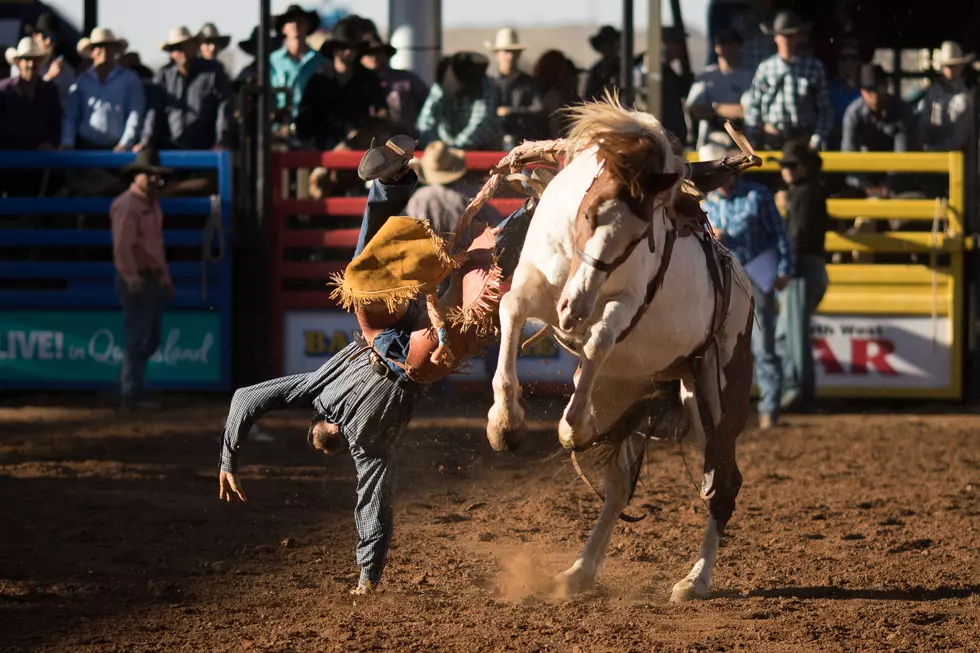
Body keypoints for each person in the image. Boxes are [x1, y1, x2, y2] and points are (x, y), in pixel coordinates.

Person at [216, 136, 542, 595]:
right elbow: (373, 506)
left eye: (317, 439)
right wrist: (368, 577)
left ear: (319, 423)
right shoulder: (367, 447)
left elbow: (246, 397)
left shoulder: (320, 391)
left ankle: (389, 185)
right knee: (477, 292)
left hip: (381, 344)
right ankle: (532, 211)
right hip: (410, 365)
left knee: (362, 278)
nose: (321, 442)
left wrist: (229, 457)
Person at [700, 142, 793, 430]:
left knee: (762, 344)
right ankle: (726, 408)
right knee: (721, 345)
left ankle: (768, 407)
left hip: (753, 275)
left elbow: (779, 234)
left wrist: (784, 268)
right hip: (721, 279)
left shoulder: (757, 196)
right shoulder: (705, 202)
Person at [110, 149, 175, 411]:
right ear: (137, 176)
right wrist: (132, 277)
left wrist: (164, 277)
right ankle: (130, 393)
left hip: (150, 277)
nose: (154, 180)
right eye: (149, 175)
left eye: (156, 175)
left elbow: (154, 248)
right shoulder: (128, 205)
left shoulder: (150, 204)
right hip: (137, 278)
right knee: (139, 337)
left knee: (148, 338)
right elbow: (123, 248)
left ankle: (128, 385)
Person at [771, 141, 829, 414]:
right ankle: (798, 392)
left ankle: (798, 393)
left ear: (805, 167)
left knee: (792, 334)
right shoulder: (808, 192)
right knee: (789, 333)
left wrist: (785, 269)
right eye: (785, 165)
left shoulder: (804, 194)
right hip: (809, 267)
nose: (786, 170)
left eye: (791, 165)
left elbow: (798, 236)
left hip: (801, 268)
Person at [742, 11, 833, 151]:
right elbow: (754, 106)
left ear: (799, 37)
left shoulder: (814, 67)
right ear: (775, 37)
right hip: (771, 139)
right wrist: (751, 140)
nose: (786, 40)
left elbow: (825, 109)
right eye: (782, 35)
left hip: (803, 141)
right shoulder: (765, 68)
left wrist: (816, 139)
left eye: (791, 36)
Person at [295, 17, 386, 150]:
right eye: (344, 46)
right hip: (321, 152)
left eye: (353, 47)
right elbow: (305, 118)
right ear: (334, 49)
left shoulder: (368, 79)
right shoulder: (319, 79)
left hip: (359, 153)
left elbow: (381, 112)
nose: (349, 51)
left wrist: (364, 132)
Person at [140, 26, 234, 152]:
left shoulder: (213, 72)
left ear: (195, 47)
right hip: (170, 147)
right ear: (172, 53)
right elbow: (154, 111)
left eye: (186, 46)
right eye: (177, 48)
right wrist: (147, 141)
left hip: (205, 146)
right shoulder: (163, 76)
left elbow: (224, 108)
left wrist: (222, 141)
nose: (182, 52)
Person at [61, 27, 145, 151]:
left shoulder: (129, 78)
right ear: (91, 52)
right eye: (98, 46)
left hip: (118, 146)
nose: (104, 50)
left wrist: (125, 143)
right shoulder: (81, 81)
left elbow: (135, 112)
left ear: (115, 50)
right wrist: (67, 142)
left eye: (108, 46)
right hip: (86, 145)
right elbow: (71, 115)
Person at [0, 37, 62, 203]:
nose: (30, 64)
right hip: (8, 160)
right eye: (27, 60)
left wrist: (50, 142)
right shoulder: (4, 90)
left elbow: (56, 122)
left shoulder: (50, 91)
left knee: (35, 206)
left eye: (34, 60)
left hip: (38, 161)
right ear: (18, 62)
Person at [406, 140, 503, 239]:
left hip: (427, 251)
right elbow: (495, 223)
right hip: (464, 252)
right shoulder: (468, 195)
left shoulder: (418, 198)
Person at [841, 63, 913, 198]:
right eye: (870, 90)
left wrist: (889, 185)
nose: (875, 95)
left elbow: (902, 155)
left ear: (887, 87)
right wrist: (865, 185)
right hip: (863, 179)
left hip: (896, 181)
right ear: (862, 91)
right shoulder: (853, 113)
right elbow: (848, 154)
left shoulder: (902, 110)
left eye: (879, 88)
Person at [417, 52, 502, 150]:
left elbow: (480, 124)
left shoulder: (486, 87)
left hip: (482, 148)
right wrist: (432, 146)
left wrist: (454, 150)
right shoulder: (440, 87)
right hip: (444, 146)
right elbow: (426, 121)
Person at [686, 28, 754, 150]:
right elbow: (694, 110)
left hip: (742, 142)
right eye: (723, 44)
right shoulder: (705, 76)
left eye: (732, 44)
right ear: (716, 47)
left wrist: (714, 109)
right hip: (709, 142)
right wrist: (721, 110)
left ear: (739, 46)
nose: (727, 49)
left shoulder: (750, 76)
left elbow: (746, 111)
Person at [361, 36, 429, 138]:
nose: (373, 57)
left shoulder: (407, 79)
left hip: (406, 140)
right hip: (367, 144)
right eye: (368, 53)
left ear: (386, 53)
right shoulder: (357, 85)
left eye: (378, 52)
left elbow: (428, 105)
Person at [486, 27, 545, 144]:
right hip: (494, 143)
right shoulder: (489, 83)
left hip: (524, 142)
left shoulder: (529, 83)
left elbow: (539, 110)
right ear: (496, 54)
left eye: (513, 52)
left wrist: (511, 111)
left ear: (519, 54)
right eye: (506, 51)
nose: (510, 56)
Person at [269, 4, 326, 126]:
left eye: (300, 21)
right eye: (290, 21)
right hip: (279, 127)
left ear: (308, 26)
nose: (295, 25)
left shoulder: (319, 61)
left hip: (312, 126)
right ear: (283, 29)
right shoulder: (272, 60)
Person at [916, 41, 974, 153]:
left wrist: (934, 151)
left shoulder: (965, 98)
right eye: (948, 66)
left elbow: (959, 140)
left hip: (954, 160)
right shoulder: (933, 92)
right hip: (930, 156)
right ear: (942, 68)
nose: (951, 70)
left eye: (954, 66)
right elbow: (922, 124)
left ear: (961, 67)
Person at [13, 11, 76, 109]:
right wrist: (48, 78)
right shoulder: (21, 63)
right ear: (35, 36)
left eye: (52, 37)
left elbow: (69, 104)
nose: (48, 42)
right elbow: (21, 96)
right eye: (45, 36)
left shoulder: (66, 70)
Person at [531, 50, 581, 138]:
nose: (577, 80)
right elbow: (558, 131)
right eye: (573, 76)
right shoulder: (556, 98)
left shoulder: (544, 97)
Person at [583, 25, 621, 102]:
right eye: (606, 43)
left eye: (612, 42)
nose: (610, 46)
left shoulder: (626, 67)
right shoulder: (596, 70)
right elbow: (589, 97)